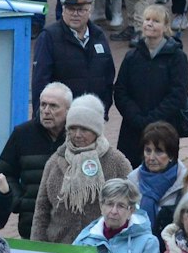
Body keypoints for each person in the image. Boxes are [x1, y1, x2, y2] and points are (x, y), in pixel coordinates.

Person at [32, 93, 132, 244]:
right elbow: (42, 210)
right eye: (73, 128)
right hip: (59, 248)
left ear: (96, 131)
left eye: (84, 129)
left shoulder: (117, 162)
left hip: (103, 249)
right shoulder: (55, 161)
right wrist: (38, 246)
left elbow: (132, 208)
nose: (77, 135)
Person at [113, 3, 188, 162]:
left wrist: (152, 120)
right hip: (132, 130)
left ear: (165, 27)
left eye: (156, 21)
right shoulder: (132, 56)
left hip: (164, 129)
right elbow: (121, 90)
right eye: (147, 19)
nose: (149, 24)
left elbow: (177, 94)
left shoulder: (177, 57)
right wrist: (135, 117)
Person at [0, 83, 70, 240]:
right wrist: (19, 201)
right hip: (31, 226)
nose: (46, 111)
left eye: (53, 106)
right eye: (43, 104)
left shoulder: (77, 137)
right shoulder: (22, 134)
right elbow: (5, 173)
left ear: (68, 110)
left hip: (68, 229)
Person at [32, 0, 114, 109]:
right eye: (70, 9)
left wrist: (104, 109)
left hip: (93, 114)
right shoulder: (49, 37)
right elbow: (40, 81)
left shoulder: (98, 35)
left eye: (80, 10)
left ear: (89, 11)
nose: (75, 14)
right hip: (61, 116)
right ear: (63, 10)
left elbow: (108, 77)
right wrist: (42, 115)